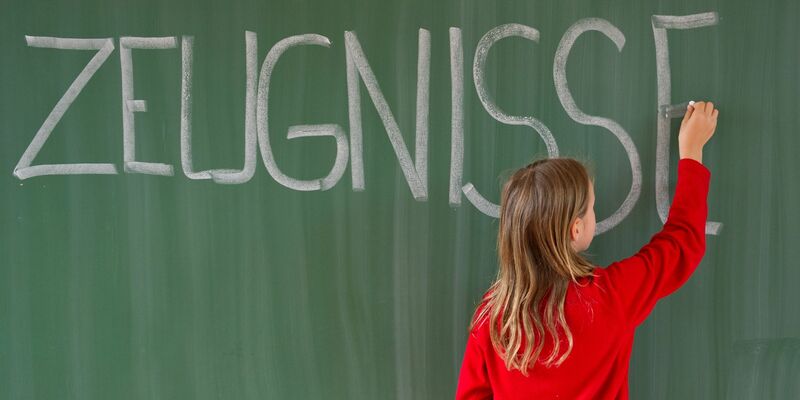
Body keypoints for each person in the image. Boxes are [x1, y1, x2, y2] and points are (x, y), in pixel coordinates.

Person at [455, 101, 719, 399]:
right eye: (592, 207)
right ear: (576, 229)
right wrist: (692, 153)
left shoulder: (491, 317)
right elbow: (682, 243)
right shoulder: (612, 296)